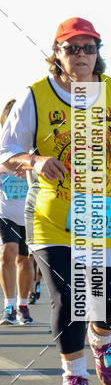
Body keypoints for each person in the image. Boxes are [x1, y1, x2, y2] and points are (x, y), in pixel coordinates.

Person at [0, 17, 111, 385]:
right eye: (71, 48)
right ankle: (74, 375)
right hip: (52, 215)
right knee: (69, 296)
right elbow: (4, 154)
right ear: (57, 54)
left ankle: (102, 337)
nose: (80, 55)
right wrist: (34, 160)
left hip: (108, 211)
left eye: (88, 48)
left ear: (98, 54)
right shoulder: (36, 96)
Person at [0, 99, 34, 325]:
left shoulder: (33, 143)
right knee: (7, 253)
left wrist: (31, 170)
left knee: (25, 260)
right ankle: (9, 306)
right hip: (5, 210)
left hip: (30, 211)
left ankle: (23, 304)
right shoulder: (3, 145)